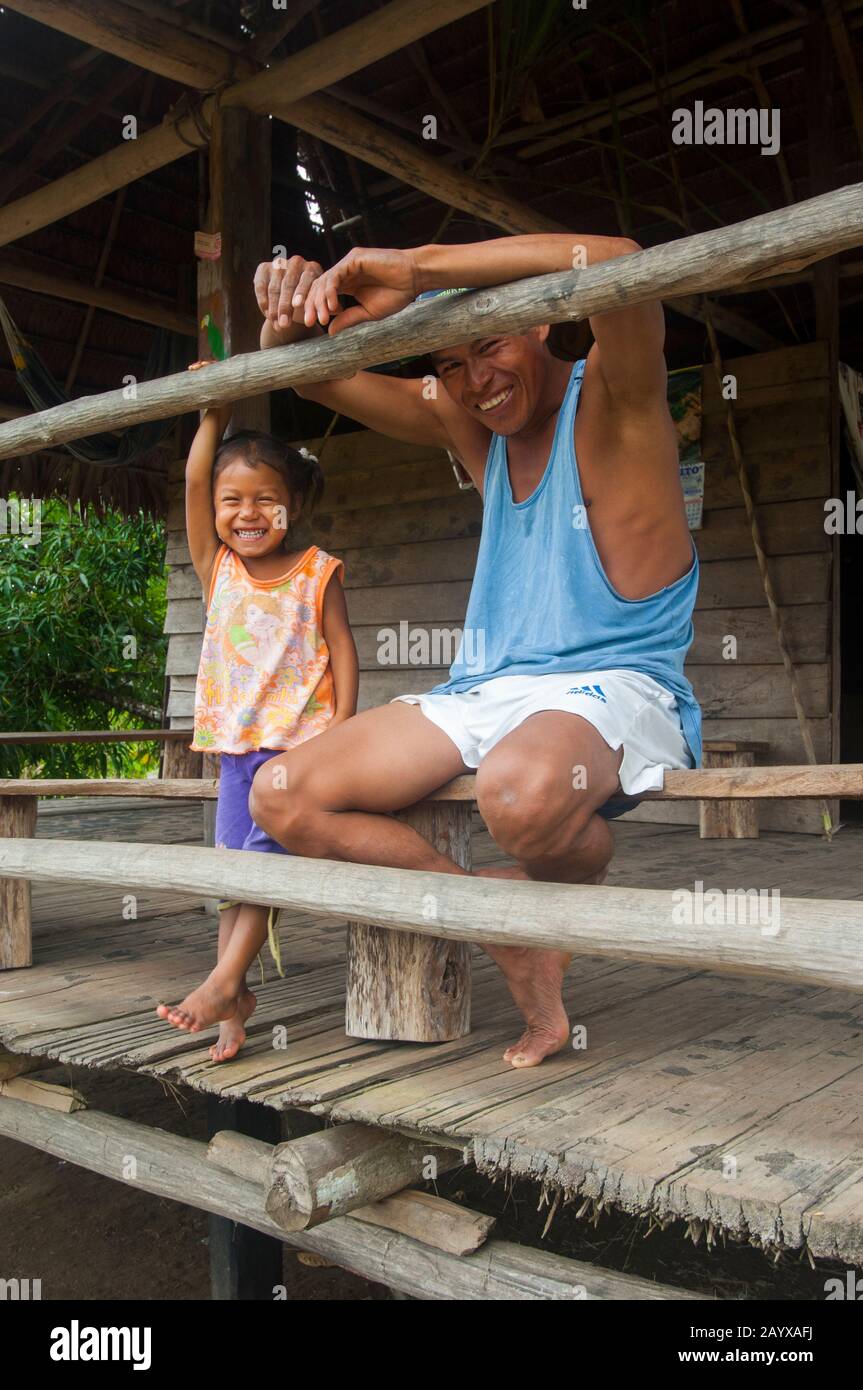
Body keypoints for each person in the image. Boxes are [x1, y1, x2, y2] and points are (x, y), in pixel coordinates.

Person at [246, 234, 700, 1069]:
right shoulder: (472, 426)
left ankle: (534, 906)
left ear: (539, 326)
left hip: (617, 684)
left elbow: (617, 263)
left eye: (488, 345)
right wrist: (291, 310)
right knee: (280, 794)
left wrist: (416, 269)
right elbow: (308, 373)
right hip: (486, 690)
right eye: (450, 364)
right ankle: (509, 934)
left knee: (520, 798)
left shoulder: (615, 396)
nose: (474, 382)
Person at [156, 365, 358, 1060]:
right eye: (230, 500)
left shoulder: (317, 571)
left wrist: (344, 733)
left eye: (264, 500)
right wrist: (211, 411)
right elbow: (190, 481)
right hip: (234, 749)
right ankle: (231, 1002)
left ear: (292, 505)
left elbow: (342, 650)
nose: (246, 514)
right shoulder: (219, 570)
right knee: (232, 874)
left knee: (263, 866)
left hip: (295, 750)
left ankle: (221, 986)